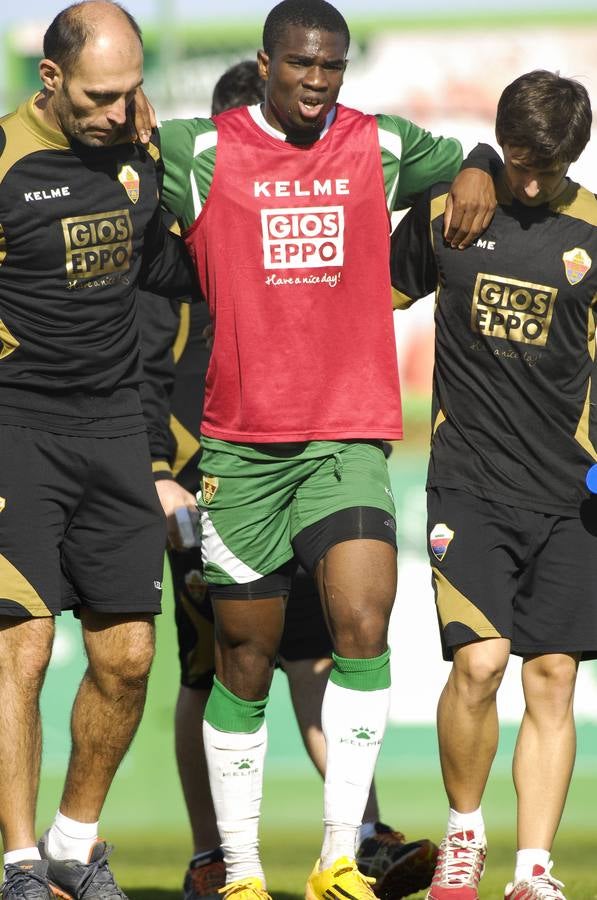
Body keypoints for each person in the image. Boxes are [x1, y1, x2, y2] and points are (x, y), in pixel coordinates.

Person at [155, 1, 496, 897]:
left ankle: (338, 857)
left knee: (360, 626)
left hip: (347, 435)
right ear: (266, 61)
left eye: (331, 67)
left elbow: (466, 158)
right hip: (240, 449)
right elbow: (109, 182)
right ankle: (237, 871)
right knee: (244, 661)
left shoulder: (377, 144)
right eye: (301, 64)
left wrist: (480, 165)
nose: (316, 81)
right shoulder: (201, 151)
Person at [0, 4, 198, 900]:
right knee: (25, 648)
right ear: (50, 79)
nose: (119, 111)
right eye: (99, 95)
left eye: (130, 93)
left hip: (118, 432)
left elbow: (167, 276)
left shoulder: (139, 156)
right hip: (17, 428)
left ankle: (74, 846)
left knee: (127, 659)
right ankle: (18, 866)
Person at [390, 69, 596, 900]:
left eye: (549, 166)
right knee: (478, 664)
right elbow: (363, 295)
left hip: (571, 497)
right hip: (468, 482)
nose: (532, 181)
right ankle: (464, 838)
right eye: (516, 160)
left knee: (551, 678)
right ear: (500, 142)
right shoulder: (454, 210)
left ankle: (534, 871)